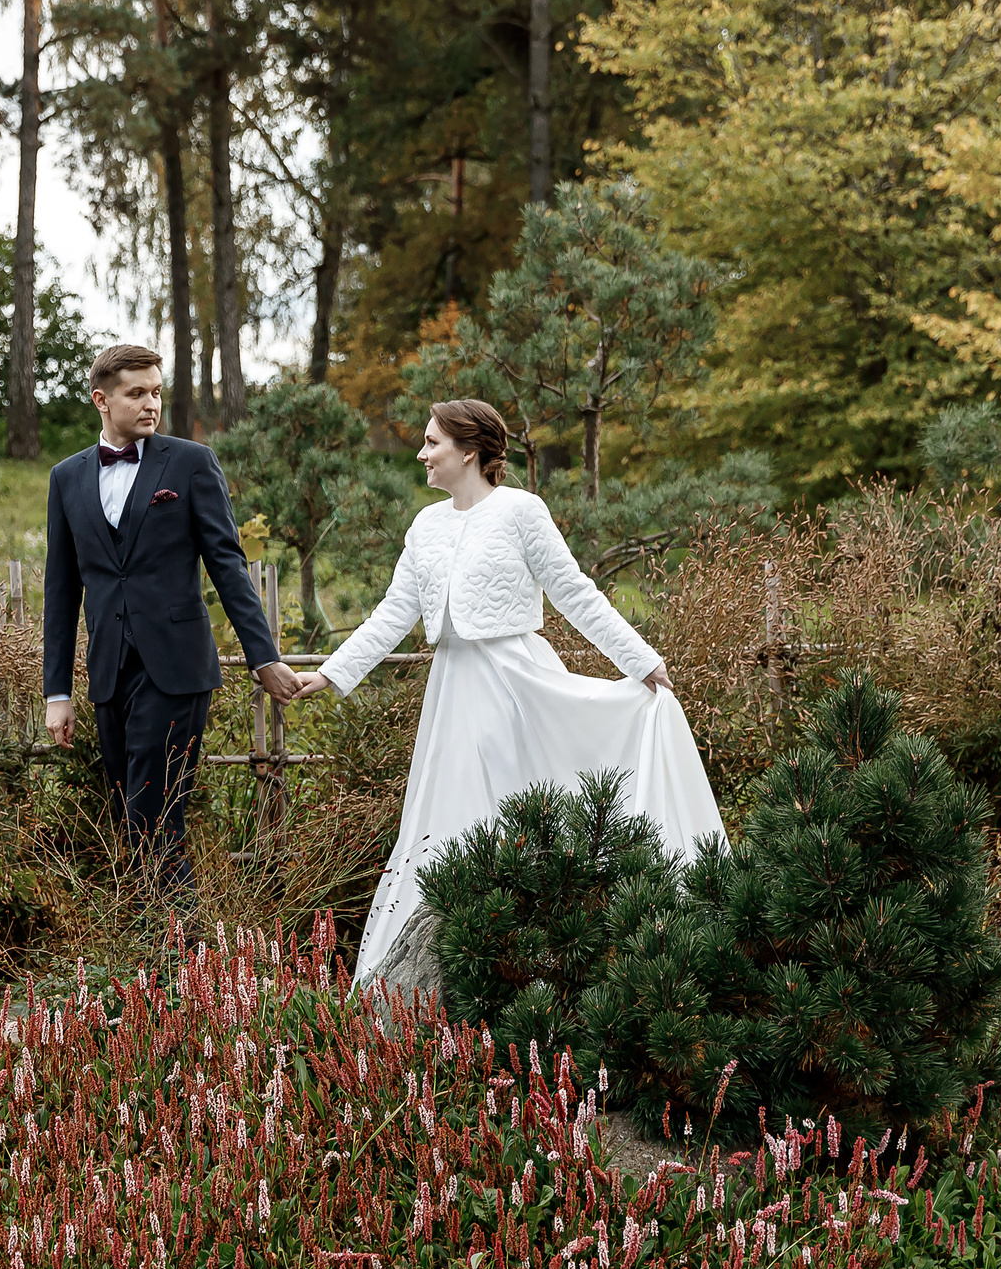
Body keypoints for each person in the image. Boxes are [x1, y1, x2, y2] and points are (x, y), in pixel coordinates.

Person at [289, 397, 726, 981]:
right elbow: (393, 613)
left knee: (515, 813)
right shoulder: (426, 525)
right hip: (452, 692)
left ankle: (541, 967)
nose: (421, 454)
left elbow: (574, 592)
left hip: (517, 684)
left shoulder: (522, 511)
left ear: (468, 451)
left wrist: (640, 661)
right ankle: (443, 974)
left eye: (432, 443)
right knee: (447, 814)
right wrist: (332, 673)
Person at [43, 343, 301, 901]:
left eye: (156, 391)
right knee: (130, 816)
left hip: (176, 669)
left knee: (154, 816)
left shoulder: (188, 463)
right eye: (136, 393)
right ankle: (156, 961)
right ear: (101, 400)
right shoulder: (66, 479)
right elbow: (61, 590)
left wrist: (263, 657)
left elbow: (227, 565)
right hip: (110, 670)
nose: (151, 403)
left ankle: (180, 956)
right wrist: (57, 692)